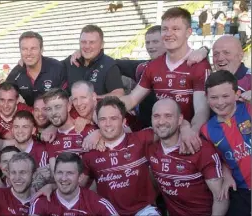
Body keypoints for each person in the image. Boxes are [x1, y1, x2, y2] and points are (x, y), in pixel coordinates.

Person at [120, 7, 211, 145]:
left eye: (175, 29)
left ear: (188, 32)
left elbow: (202, 110)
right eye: (165, 29)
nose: (169, 34)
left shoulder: (199, 65)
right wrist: (104, 108)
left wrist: (192, 131)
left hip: (189, 139)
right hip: (162, 138)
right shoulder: (153, 66)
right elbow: (132, 99)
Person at [80, 97, 160, 215]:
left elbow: (169, 128)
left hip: (143, 211)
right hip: (109, 212)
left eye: (113, 118)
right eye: (103, 119)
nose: (107, 124)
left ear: (123, 121)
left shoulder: (141, 139)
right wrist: (51, 187)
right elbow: (77, 185)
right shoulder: (90, 153)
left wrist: (185, 128)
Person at [147, 98, 227, 216]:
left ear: (180, 119)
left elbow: (221, 198)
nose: (161, 121)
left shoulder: (201, 149)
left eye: (168, 116)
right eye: (156, 116)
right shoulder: (150, 147)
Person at [201, 70, 251, 216]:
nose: (220, 102)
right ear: (207, 98)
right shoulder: (207, 130)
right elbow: (218, 157)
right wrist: (227, 174)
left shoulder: (248, 108)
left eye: (225, 96)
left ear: (236, 94)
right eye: (214, 97)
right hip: (241, 191)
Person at [30, 152, 119, 216]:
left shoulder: (95, 202)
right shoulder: (41, 202)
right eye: (60, 172)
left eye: (69, 173)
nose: (64, 178)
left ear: (80, 177)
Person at [6, 31, 66, 106]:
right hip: (27, 116)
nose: (29, 53)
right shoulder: (16, 73)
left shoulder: (57, 68)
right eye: (24, 49)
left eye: (33, 48)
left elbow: (67, 100)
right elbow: (3, 95)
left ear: (41, 50)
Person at [65, 25, 124, 97]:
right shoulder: (71, 61)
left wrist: (94, 99)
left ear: (102, 45)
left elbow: (119, 94)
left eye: (92, 42)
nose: (87, 46)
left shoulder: (109, 65)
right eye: (83, 42)